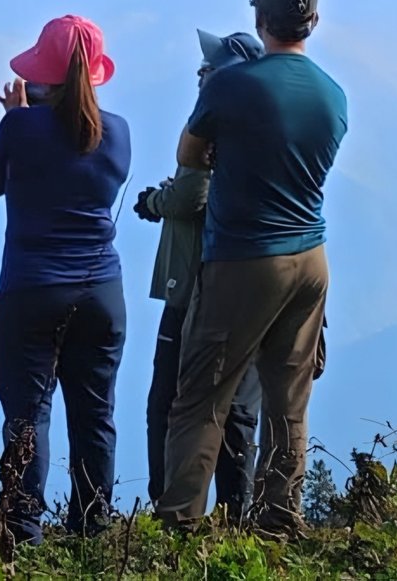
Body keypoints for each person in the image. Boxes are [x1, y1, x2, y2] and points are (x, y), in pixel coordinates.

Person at [158, 0, 347, 537]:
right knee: (288, 401)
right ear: (312, 22)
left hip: (244, 257)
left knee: (202, 396)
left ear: (259, 19)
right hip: (311, 259)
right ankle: (279, 523)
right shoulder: (332, 93)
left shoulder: (231, 85)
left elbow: (189, 154)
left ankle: (180, 530)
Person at [0, 15, 131, 545]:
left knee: (28, 415)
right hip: (102, 292)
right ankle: (92, 532)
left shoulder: (20, 126)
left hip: (31, 290)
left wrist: (19, 117)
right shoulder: (119, 132)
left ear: (44, 74)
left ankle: (23, 534)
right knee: (95, 416)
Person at [136, 30, 265, 521]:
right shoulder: (265, 128)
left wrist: (154, 202)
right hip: (254, 288)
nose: (200, 76)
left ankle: (168, 508)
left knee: (167, 403)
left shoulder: (211, 124)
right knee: (239, 409)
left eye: (206, 70)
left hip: (191, 287)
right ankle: (239, 515)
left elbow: (190, 196)